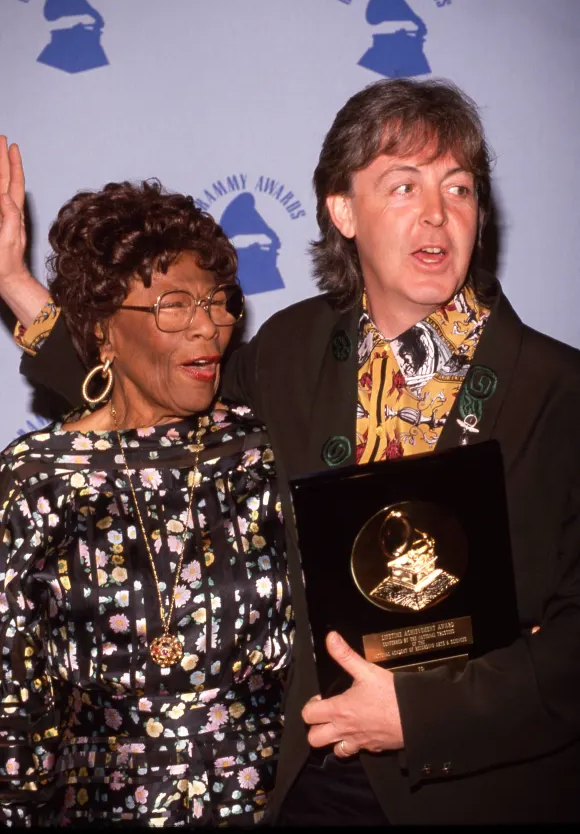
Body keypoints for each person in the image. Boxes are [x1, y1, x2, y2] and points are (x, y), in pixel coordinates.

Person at [2, 75, 580, 825]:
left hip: (483, 787)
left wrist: (420, 714)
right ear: (343, 210)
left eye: (459, 188)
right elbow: (145, 395)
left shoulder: (561, 391)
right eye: (403, 186)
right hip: (306, 782)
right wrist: (16, 283)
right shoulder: (293, 347)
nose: (438, 212)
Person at [0, 171, 293, 826]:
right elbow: (14, 714)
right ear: (104, 330)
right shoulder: (39, 479)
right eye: (175, 305)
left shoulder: (258, 452)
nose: (209, 328)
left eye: (219, 302)